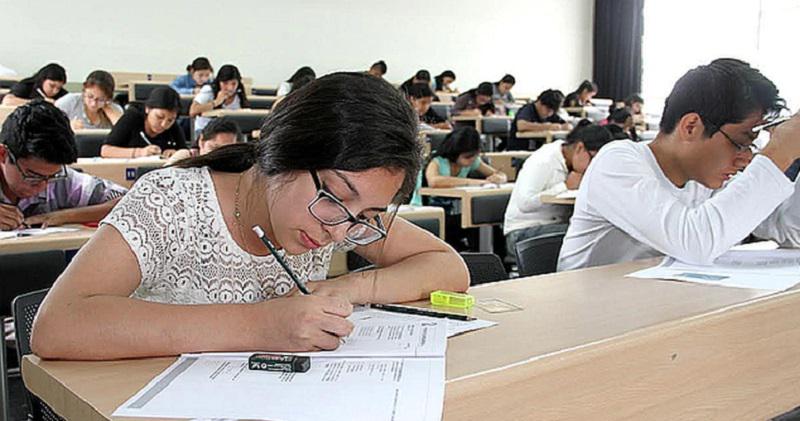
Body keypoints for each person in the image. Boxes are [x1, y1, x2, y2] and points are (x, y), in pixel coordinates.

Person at [31, 72, 469, 360]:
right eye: (336, 197)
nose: (339, 233)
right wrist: (260, 325)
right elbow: (57, 325)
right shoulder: (172, 202)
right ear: (285, 150)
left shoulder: (336, 219)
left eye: (365, 216)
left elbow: (447, 267)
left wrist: (343, 288)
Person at [557, 58, 800, 271]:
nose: (746, 158)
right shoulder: (617, 162)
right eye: (740, 143)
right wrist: (778, 152)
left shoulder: (707, 178)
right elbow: (696, 242)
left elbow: (790, 230)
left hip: (661, 308)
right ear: (691, 127)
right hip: (590, 315)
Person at [0, 101, 126, 230]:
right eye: (32, 176)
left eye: (52, 176)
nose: (42, 186)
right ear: (3, 154)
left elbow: (129, 203)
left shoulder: (61, 179)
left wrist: (60, 216)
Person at [504, 122, 613, 260]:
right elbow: (524, 203)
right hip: (522, 232)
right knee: (584, 235)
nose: (593, 166)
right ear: (580, 148)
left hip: (555, 226)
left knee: (604, 232)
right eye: (593, 159)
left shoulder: (575, 166)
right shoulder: (543, 160)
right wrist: (565, 186)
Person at [425, 126, 507, 250]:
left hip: (458, 212)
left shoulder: (473, 161)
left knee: (488, 225)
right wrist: (475, 182)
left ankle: (492, 261)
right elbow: (434, 181)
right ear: (455, 152)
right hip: (436, 212)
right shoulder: (437, 162)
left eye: (474, 156)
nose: (472, 160)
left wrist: (499, 178)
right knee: (470, 226)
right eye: (467, 157)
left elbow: (499, 174)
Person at [102, 87, 188, 158]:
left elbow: (186, 152)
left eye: (170, 120)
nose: (164, 124)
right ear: (148, 109)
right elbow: (106, 150)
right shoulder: (132, 117)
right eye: (159, 117)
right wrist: (139, 152)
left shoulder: (173, 126)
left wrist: (176, 153)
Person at [190, 64, 250, 139]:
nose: (230, 88)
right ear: (219, 82)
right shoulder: (209, 90)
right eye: (225, 83)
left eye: (234, 83)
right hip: (205, 130)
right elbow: (192, 111)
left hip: (230, 133)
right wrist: (216, 102)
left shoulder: (239, 94)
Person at [55, 70, 124, 130]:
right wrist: (67, 127)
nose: (93, 104)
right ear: (84, 91)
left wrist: (112, 114)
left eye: (100, 99)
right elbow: (49, 125)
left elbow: (125, 134)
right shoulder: (70, 101)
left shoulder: (115, 108)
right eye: (90, 96)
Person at [507, 89, 572, 150]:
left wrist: (562, 127)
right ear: (540, 103)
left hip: (537, 152)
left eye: (552, 111)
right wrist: (548, 127)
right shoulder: (528, 110)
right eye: (548, 110)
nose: (550, 114)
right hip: (520, 152)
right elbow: (521, 125)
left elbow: (568, 126)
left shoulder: (550, 113)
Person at [165, 117, 243, 165]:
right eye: (214, 148)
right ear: (201, 142)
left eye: (228, 151)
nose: (220, 155)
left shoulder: (240, 169)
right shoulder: (184, 157)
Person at [2, 63, 68, 106]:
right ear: (43, 80)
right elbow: (8, 101)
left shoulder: (62, 95)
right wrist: (39, 102)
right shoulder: (26, 86)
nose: (55, 91)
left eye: (58, 88)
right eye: (52, 86)